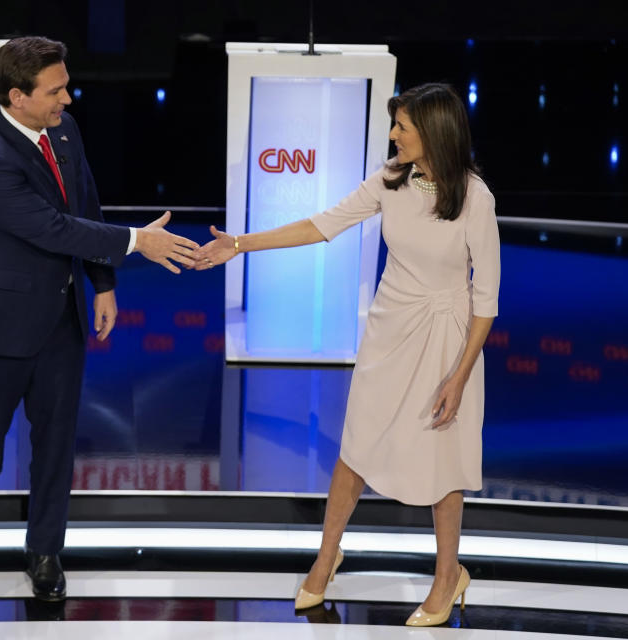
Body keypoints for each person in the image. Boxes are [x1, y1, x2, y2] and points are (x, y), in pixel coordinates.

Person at [194, 83, 500, 627]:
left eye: (403, 126)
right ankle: (327, 554)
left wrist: (460, 375)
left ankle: (448, 575)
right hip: (391, 329)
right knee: (356, 445)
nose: (393, 135)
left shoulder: (476, 198)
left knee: (442, 460)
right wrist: (239, 244)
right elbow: (321, 225)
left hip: (448, 339)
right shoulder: (389, 180)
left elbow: (487, 302)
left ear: (434, 132)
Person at [0, 35, 199, 608]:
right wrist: (139, 242)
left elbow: (83, 202)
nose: (68, 98)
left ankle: (45, 553)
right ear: (17, 95)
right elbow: (53, 229)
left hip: (59, 320)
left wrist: (102, 282)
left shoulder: (62, 131)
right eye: (56, 89)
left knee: (55, 445)